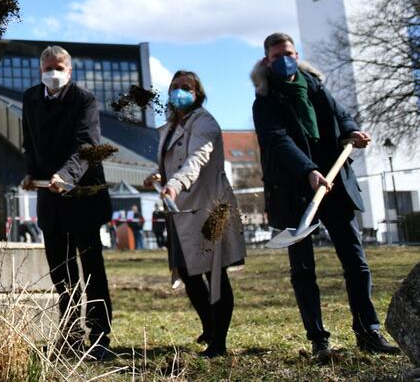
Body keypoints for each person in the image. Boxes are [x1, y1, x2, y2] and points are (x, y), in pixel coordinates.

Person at [252, 32, 399, 361]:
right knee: (303, 270)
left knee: (356, 262)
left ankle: (368, 331)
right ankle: (319, 339)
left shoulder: (314, 85)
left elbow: (341, 114)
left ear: (296, 54)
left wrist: (352, 131)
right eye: (277, 56)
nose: (284, 60)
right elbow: (278, 141)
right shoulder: (265, 100)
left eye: (288, 53)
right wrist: (307, 171)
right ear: (267, 61)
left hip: (336, 184)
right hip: (295, 190)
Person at [19, 45, 115, 361]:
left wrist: (65, 175)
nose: (53, 73)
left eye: (58, 67)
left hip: (84, 197)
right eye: (47, 68)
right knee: (62, 273)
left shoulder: (84, 100)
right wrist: (32, 174)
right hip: (51, 200)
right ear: (40, 71)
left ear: (69, 71)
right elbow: (29, 143)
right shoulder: (31, 99)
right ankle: (71, 335)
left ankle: (100, 337)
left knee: (92, 271)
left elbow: (87, 144)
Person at [144, 71, 244, 358]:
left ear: (198, 93)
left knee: (215, 274)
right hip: (181, 210)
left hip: (209, 206)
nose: (178, 92)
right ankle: (209, 328)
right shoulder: (173, 125)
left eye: (185, 87)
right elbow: (174, 161)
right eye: (174, 87)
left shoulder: (205, 123)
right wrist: (160, 175)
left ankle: (219, 342)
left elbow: (196, 160)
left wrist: (173, 184)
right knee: (188, 272)